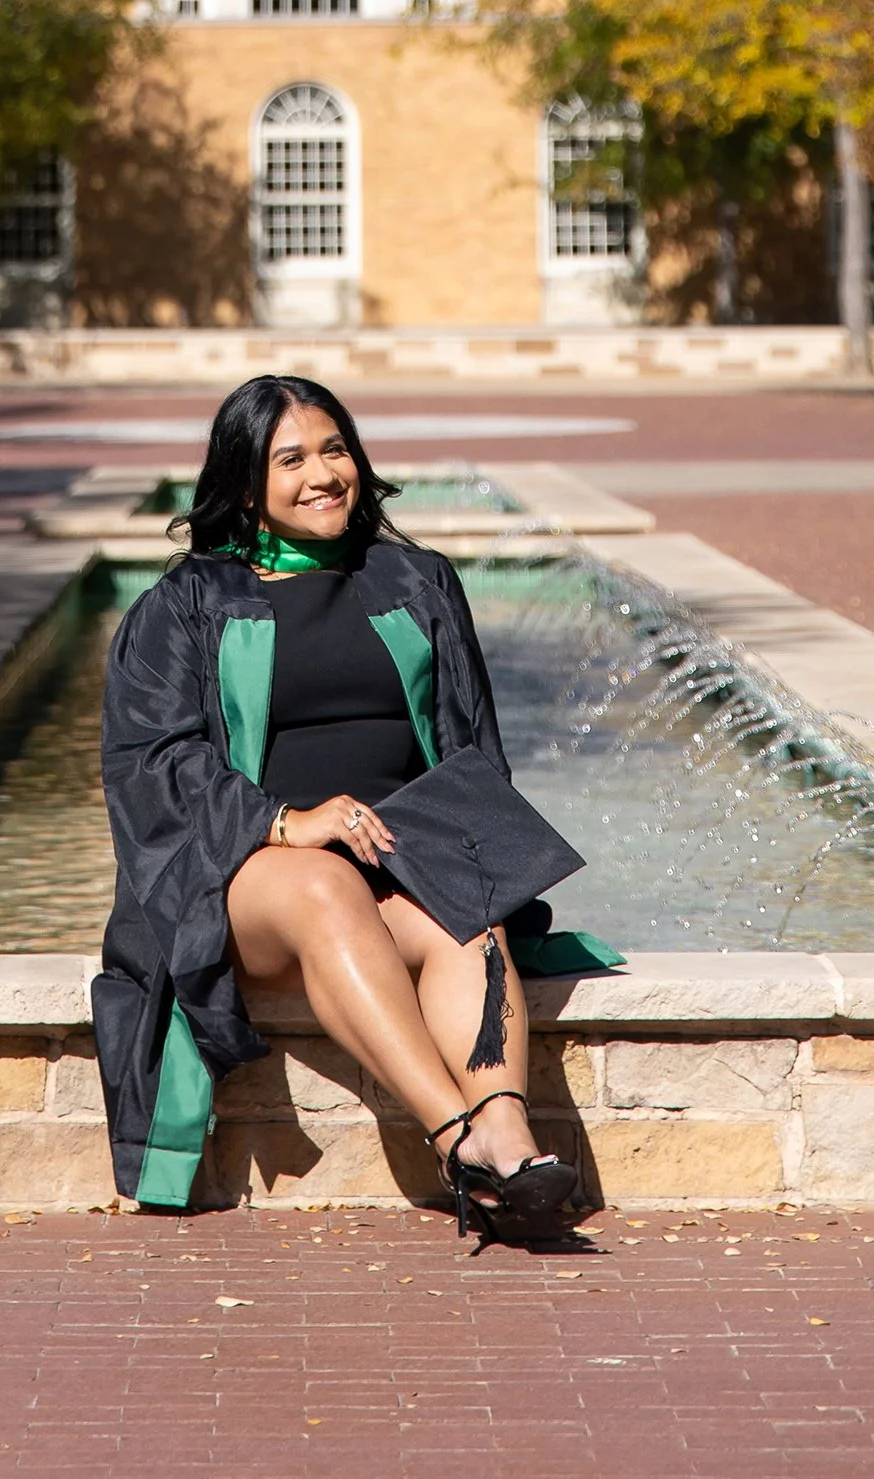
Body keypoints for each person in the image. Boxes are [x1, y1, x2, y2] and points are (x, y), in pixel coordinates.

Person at [93, 370, 615, 1228]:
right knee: (324, 885)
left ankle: (510, 1142)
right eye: (290, 458)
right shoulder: (186, 607)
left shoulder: (414, 581)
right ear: (246, 483)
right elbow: (152, 761)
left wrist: (470, 853)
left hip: (399, 855)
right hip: (252, 872)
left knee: (468, 919)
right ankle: (457, 1142)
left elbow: (468, 741)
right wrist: (287, 823)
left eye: (335, 449)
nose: (322, 474)